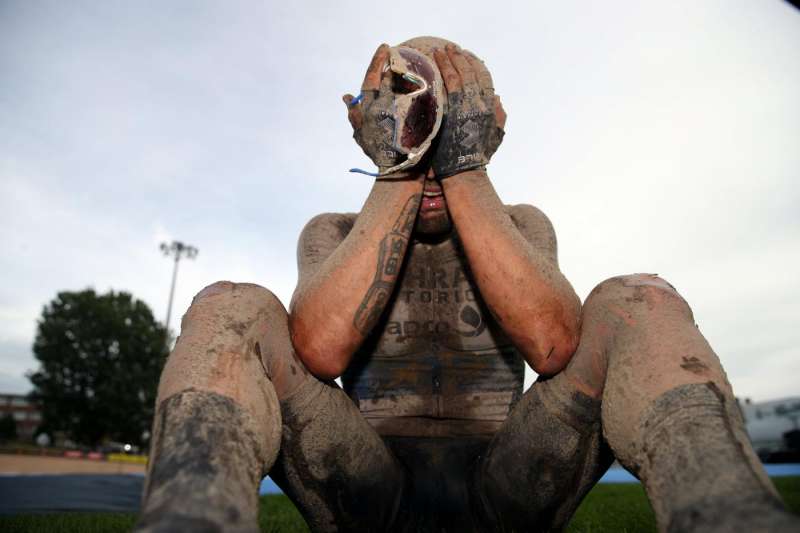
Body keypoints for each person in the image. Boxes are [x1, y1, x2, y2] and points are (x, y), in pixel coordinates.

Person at [135, 37, 797, 533]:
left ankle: (731, 514)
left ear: (485, 131)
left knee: (637, 297)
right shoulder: (333, 230)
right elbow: (321, 348)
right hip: (366, 482)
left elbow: (554, 341)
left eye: (452, 127)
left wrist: (465, 163)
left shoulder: (521, 224)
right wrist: (399, 165)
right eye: (416, 124)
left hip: (506, 482)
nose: (433, 146)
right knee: (230, 306)